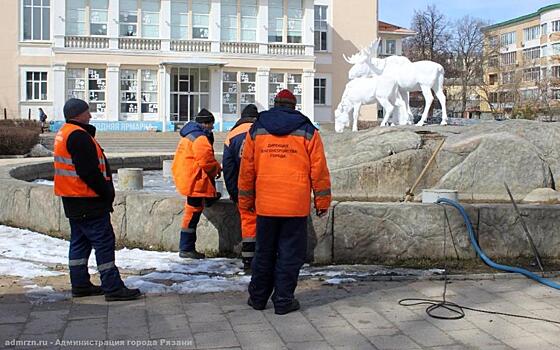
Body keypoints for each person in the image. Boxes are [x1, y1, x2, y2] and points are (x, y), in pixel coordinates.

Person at [238, 89, 332, 315]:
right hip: (294, 206)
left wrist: (245, 200)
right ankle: (283, 301)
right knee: (290, 255)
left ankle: (258, 298)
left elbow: (247, 169)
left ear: (275, 103)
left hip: (266, 204)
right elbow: (318, 171)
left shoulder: (257, 129)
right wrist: (322, 203)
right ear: (294, 105)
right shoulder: (308, 130)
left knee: (264, 252)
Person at [53, 98, 142, 301]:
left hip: (73, 199)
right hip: (88, 199)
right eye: (87, 112)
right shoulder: (78, 136)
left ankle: (80, 285)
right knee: (103, 243)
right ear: (77, 114)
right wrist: (106, 192)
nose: (90, 115)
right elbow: (88, 171)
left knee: (80, 243)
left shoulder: (65, 132)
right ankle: (112, 288)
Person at [172, 108, 222, 259]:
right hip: (194, 180)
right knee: (193, 213)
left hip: (186, 177)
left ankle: (186, 247)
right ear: (206, 124)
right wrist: (217, 169)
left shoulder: (189, 135)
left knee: (192, 210)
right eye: (211, 124)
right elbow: (206, 161)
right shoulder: (200, 138)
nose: (212, 128)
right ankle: (186, 248)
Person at [223, 104, 259, 272]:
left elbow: (228, 168)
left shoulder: (231, 135)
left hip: (242, 188)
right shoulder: (262, 131)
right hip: (263, 187)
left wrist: (233, 192)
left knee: (248, 222)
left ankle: (248, 261)